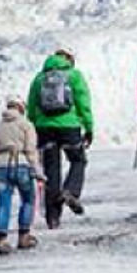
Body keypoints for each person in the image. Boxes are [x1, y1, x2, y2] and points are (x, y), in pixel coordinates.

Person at [27, 48, 94, 228]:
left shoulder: (39, 79)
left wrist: (34, 128)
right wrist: (89, 128)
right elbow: (83, 103)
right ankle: (71, 191)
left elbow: (31, 108)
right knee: (78, 159)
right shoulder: (74, 76)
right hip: (69, 126)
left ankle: (53, 218)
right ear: (68, 60)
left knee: (51, 171)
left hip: (44, 129)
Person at [0, 98, 40, 254]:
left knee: (3, 203)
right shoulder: (26, 125)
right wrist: (37, 170)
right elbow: (31, 150)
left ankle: (1, 240)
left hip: (0, 167)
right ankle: (24, 237)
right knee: (28, 199)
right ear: (22, 108)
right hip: (21, 165)